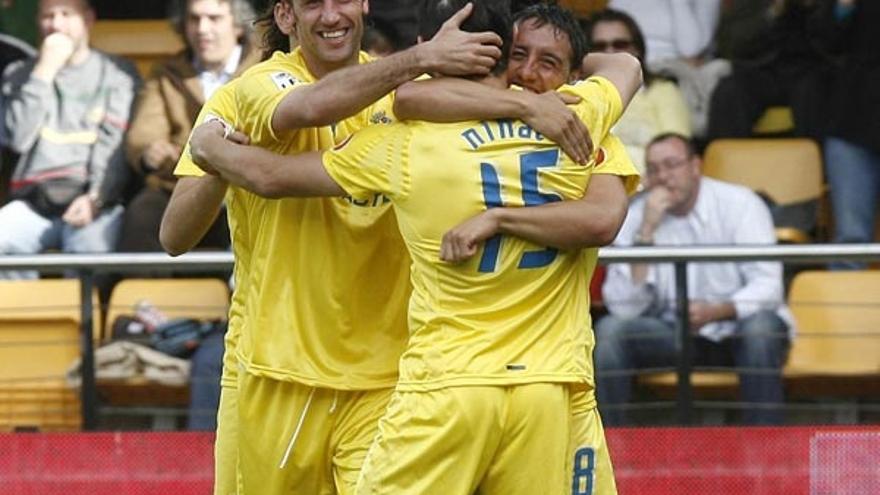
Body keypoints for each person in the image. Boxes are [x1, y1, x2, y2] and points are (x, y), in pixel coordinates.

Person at [186, 1, 641, 491]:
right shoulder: (582, 117)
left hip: (444, 385)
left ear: (437, 53)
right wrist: (551, 82)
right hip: (549, 386)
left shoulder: (409, 142)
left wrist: (209, 148)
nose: (529, 71)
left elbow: (272, 175)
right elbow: (624, 75)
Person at [159, 1, 506, 493]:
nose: (330, 15)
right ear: (285, 16)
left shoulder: (409, 99)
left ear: (363, 5)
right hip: (278, 374)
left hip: (389, 376)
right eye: (311, 3)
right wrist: (216, 161)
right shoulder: (252, 88)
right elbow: (174, 236)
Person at [596, 133, 794, 426]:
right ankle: (612, 453)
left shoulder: (740, 204)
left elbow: (769, 286)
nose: (663, 176)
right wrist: (646, 232)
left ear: (696, 167)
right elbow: (625, 309)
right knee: (611, 332)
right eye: (653, 169)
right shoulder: (637, 217)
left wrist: (719, 310)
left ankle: (766, 457)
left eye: (671, 165)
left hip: (736, 329)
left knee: (761, 330)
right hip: (672, 332)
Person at [0, 0, 140, 279]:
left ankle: (80, 324)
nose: (56, 24)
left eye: (66, 15)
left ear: (88, 20)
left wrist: (96, 198)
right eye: (48, 16)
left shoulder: (118, 74)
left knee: (90, 252)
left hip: (92, 200)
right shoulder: (18, 75)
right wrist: (43, 73)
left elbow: (114, 149)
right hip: (32, 202)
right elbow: (18, 138)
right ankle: (21, 322)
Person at [118, 0, 258, 253]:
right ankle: (143, 292)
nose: (202, 29)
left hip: (246, 183)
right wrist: (151, 152)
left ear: (238, 25)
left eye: (214, 19)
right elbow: (144, 135)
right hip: (177, 184)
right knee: (142, 214)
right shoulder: (166, 73)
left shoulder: (264, 66)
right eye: (194, 19)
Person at [815, 0, 880, 269]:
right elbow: (823, 39)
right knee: (851, 241)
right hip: (852, 121)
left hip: (852, 121)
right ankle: (843, 313)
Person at [587, 9, 691, 174]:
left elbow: (677, 157)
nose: (610, 53)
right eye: (599, 46)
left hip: (651, 188)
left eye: (620, 45)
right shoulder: (575, 94)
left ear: (637, 49)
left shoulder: (662, 91)